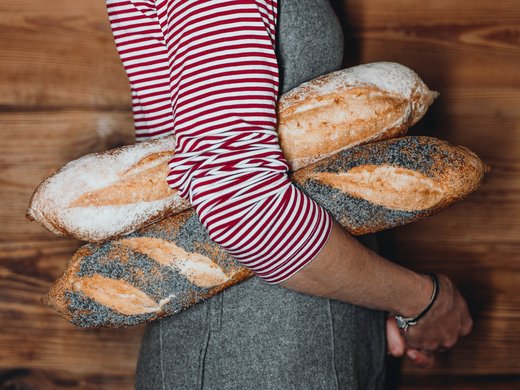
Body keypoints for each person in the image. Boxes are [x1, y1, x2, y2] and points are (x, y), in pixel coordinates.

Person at [104, 1, 473, 389]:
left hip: (305, 332)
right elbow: (242, 205)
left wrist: (365, 298)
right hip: (250, 354)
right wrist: (419, 300)